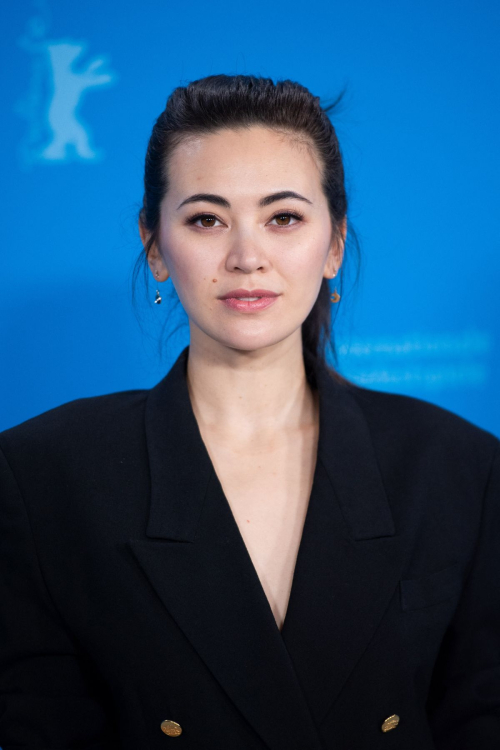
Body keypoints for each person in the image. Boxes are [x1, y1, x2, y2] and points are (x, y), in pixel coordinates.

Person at [0, 74, 498, 750]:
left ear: (334, 244)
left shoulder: (459, 468)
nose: (246, 257)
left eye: (283, 217)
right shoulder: (42, 474)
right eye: (206, 218)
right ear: (154, 245)